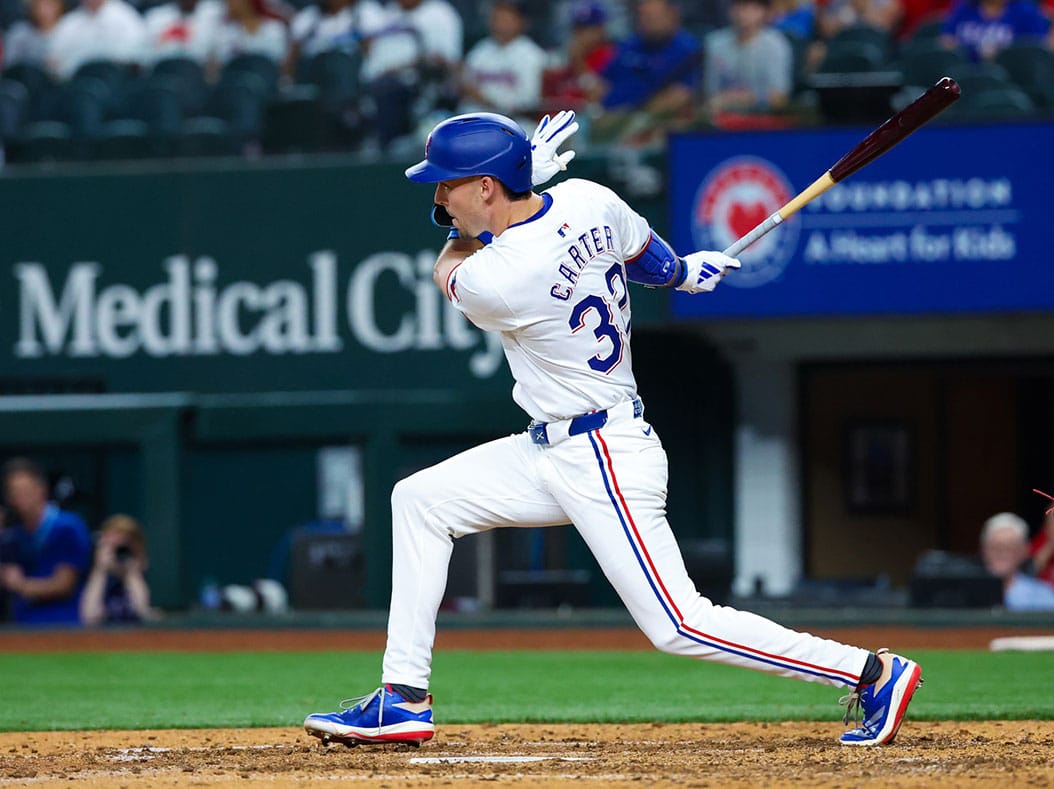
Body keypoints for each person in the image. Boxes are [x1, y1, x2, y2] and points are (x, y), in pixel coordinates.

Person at [302, 110, 923, 749]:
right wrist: (685, 270)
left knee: (679, 625)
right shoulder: (589, 198)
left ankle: (871, 673)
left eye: (449, 186)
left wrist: (496, 210)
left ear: (487, 186)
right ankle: (403, 697)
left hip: (603, 454)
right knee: (421, 499)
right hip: (550, 446)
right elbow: (646, 255)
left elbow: (450, 266)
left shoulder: (500, 278)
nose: (438, 199)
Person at [591, 0, 702, 146]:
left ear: (672, 15)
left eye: (652, 17)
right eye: (642, 16)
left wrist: (638, 116)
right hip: (607, 117)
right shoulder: (630, 44)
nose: (646, 22)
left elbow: (681, 95)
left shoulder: (687, 50)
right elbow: (601, 82)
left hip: (649, 122)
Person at [0, 458, 92, 626]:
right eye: (14, 493)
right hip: (20, 625)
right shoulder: (13, 534)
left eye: (25, 491)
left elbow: (64, 585)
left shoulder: (68, 527)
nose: (20, 499)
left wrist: (20, 585)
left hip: (62, 626)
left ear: (41, 490)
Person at [360, 0, 463, 146]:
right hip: (377, 79)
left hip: (415, 82)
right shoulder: (388, 13)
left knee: (387, 88)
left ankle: (386, 147)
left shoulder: (439, 13)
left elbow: (444, 62)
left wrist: (401, 67)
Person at [458, 0, 547, 125]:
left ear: (521, 22)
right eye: (496, 18)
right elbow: (464, 88)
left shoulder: (531, 55)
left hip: (514, 124)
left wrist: (485, 98)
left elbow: (528, 103)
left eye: (506, 19)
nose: (499, 24)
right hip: (473, 122)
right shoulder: (480, 51)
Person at [702, 0, 794, 120]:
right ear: (730, 10)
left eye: (753, 8)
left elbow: (779, 97)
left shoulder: (777, 44)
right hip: (722, 120)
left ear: (763, 12)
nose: (744, 14)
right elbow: (710, 93)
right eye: (740, 7)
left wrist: (735, 99)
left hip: (764, 120)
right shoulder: (714, 43)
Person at [79, 514, 158, 626]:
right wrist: (100, 570)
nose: (118, 553)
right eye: (113, 547)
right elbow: (89, 617)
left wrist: (131, 573)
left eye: (123, 548)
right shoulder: (100, 579)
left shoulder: (146, 574)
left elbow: (142, 612)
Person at [540, 0, 616, 112]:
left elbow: (598, 96)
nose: (579, 35)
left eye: (586, 29)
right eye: (577, 29)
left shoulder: (609, 56)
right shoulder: (568, 57)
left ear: (601, 30)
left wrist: (578, 62)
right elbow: (547, 98)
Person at [980, 512, 1054, 611]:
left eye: (1010, 547)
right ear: (983, 550)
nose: (1002, 553)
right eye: (995, 547)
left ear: (1024, 551)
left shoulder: (1045, 596)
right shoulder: (964, 593)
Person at [44, 0, 147, 79]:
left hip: (117, 84)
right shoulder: (69, 22)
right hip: (77, 83)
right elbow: (53, 61)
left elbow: (138, 57)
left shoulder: (126, 17)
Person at [940, 0, 1052, 62]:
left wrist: (1001, 54)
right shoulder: (964, 8)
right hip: (967, 78)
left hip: (1012, 81)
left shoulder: (1026, 12)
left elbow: (1037, 53)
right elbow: (947, 42)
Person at [209, 0, 290, 67]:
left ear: (247, 3)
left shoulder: (274, 29)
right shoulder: (225, 31)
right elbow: (218, 64)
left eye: (231, 1)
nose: (227, 5)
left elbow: (282, 63)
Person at [142, 0, 224, 66]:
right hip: (163, 72)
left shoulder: (214, 15)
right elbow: (146, 55)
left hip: (198, 74)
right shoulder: (156, 17)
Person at [3, 0, 64, 70]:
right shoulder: (18, 34)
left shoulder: (69, 31)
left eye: (49, 4)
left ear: (59, 5)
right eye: (40, 5)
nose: (43, 10)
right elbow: (9, 67)